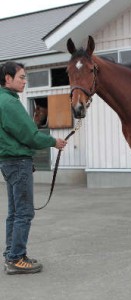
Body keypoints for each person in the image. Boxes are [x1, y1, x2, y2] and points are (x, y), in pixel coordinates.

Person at [0, 61, 67, 275]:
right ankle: (16, 258)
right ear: (8, 78)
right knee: (24, 213)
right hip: (18, 163)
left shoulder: (3, 100)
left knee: (15, 212)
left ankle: (11, 253)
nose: (24, 81)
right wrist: (53, 142)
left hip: (9, 163)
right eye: (21, 77)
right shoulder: (9, 103)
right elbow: (30, 135)